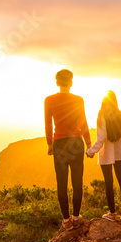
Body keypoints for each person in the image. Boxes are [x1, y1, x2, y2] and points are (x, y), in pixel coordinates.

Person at [44, 69, 91, 228]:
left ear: (57, 82)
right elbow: (83, 123)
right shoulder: (78, 100)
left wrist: (50, 144)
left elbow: (48, 125)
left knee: (61, 182)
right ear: (71, 82)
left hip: (60, 144)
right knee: (77, 181)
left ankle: (66, 221)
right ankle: (76, 217)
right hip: (76, 143)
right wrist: (89, 143)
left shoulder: (49, 100)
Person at [86, 90, 121, 220]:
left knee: (109, 183)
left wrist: (90, 151)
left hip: (106, 154)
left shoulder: (102, 116)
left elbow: (100, 139)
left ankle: (112, 213)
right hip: (118, 153)